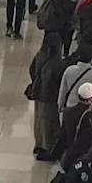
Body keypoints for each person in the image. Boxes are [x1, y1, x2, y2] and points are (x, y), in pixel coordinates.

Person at [29, 32, 67, 160]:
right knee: (49, 122)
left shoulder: (40, 56)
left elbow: (32, 70)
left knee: (38, 119)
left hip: (38, 92)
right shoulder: (58, 62)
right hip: (51, 96)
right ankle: (48, 148)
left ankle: (39, 144)